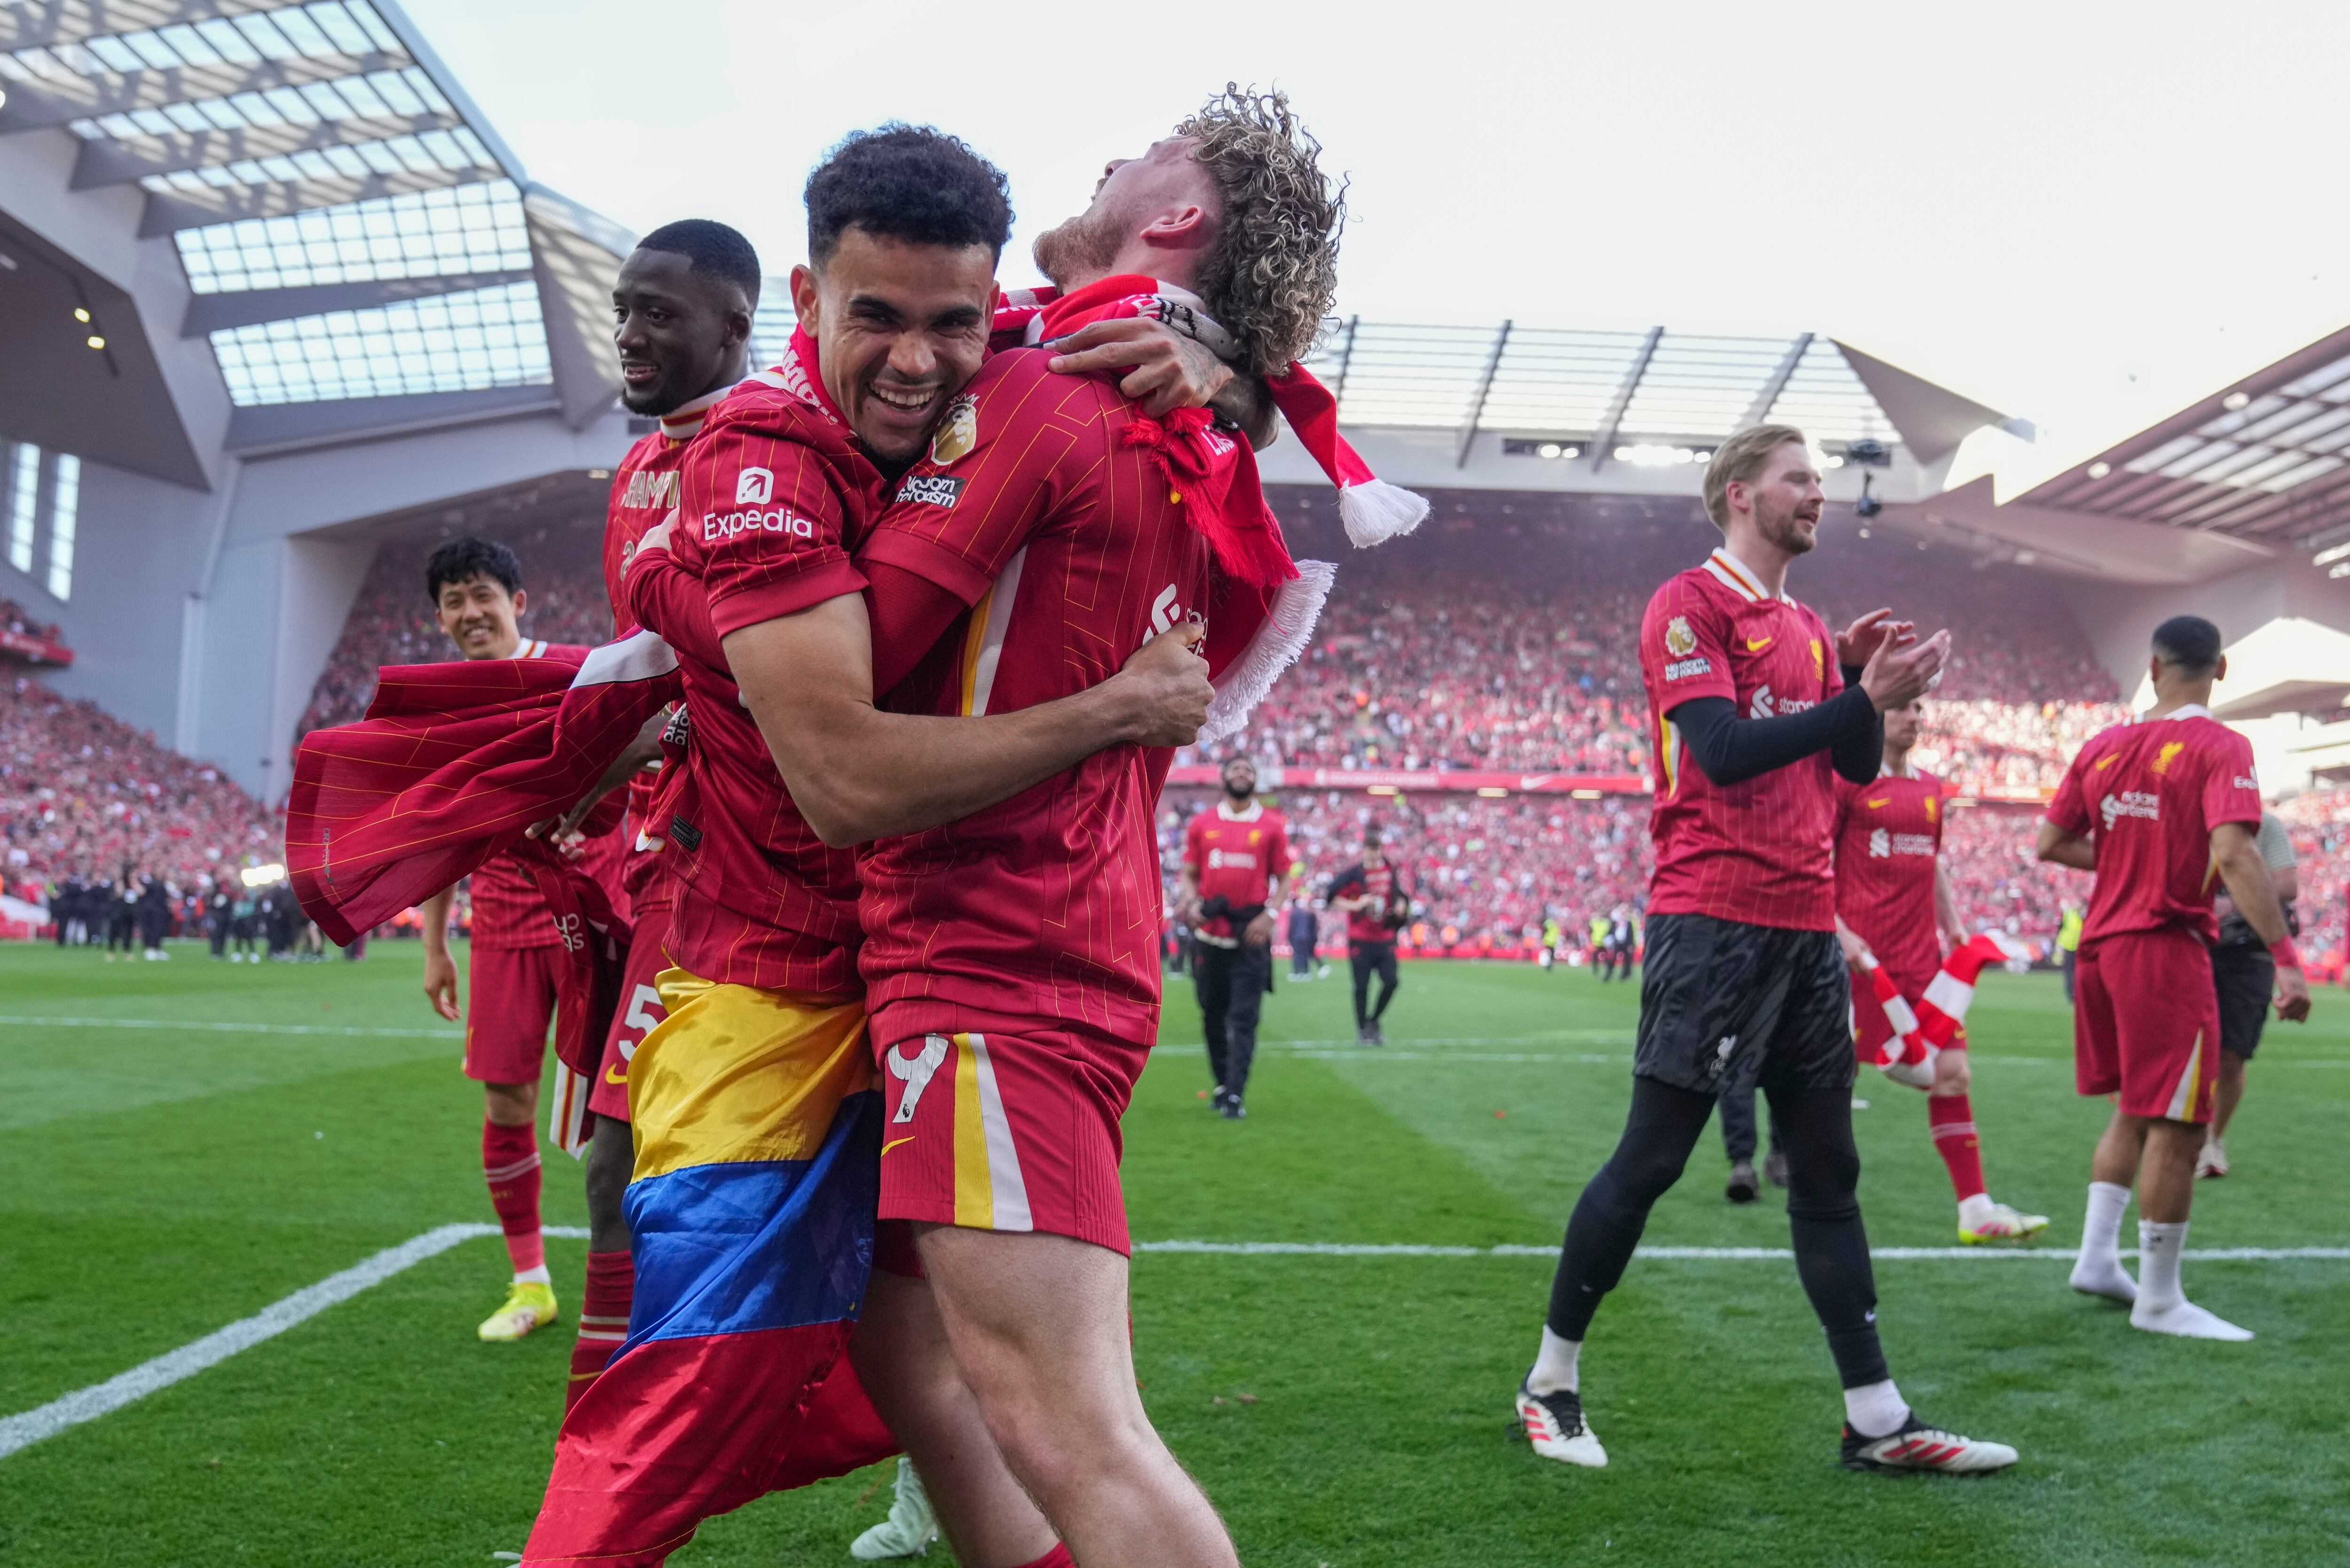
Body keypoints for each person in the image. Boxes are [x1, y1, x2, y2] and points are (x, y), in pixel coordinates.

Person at [527, 125, 1237, 1568]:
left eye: (949, 324)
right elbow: (843, 778)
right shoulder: (758, 468)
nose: (918, 361)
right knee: (689, 1398)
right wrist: (1112, 707)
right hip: (767, 988)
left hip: (901, 968)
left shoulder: (992, 375)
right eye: (877, 319)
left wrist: (1213, 354)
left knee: (929, 1367)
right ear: (802, 302)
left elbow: (1108, 329)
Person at [1515, 422, 2018, 1477]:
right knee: (1652, 1159)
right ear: (1740, 493)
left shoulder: (1803, 623)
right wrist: (1854, 693)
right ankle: (1549, 1383)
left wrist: (1853, 675)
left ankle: (1876, 1420)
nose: (1817, 495)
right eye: (1799, 480)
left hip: (1801, 930)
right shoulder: (1686, 604)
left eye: (1820, 482)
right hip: (1714, 917)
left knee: (1828, 1169)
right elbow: (1726, 752)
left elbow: (1851, 756)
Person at [2037, 616, 2308, 1339]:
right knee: (2185, 1123)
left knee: (2136, 1108)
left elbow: (2052, 841)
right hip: (2164, 948)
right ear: (2219, 670)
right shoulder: (2222, 746)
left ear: (2153, 668)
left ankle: (2098, 1258)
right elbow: (2238, 853)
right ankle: (2159, 1299)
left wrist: (2129, 860)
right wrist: (2287, 960)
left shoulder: (2102, 745)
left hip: (2100, 948)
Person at [414, 537, 627, 1346]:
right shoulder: (439, 705)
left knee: (627, 1115)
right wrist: (436, 943)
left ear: (518, 601)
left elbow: (647, 765)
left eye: (482, 595)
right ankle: (531, 1281)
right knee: (506, 1099)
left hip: (599, 920)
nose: (471, 613)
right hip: (501, 927)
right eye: (454, 601)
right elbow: (440, 833)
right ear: (438, 617)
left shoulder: (578, 670)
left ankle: (632, 1282)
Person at [1835, 699, 2046, 1243]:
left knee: (1952, 1073)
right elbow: (1813, 861)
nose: (1914, 716)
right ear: (1875, 718)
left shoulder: (1931, 789)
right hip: (1855, 962)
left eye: (1918, 707)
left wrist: (1951, 923)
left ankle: (1975, 1210)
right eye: (1901, 707)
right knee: (1831, 1081)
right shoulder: (1844, 782)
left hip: (1922, 966)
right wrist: (1838, 934)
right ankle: (1821, 1196)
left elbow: (1932, 863)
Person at [1180, 755, 1300, 1117]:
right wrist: (1191, 902)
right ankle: (1221, 1083)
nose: (1242, 774)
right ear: (1223, 778)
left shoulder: (1271, 825)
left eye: (1248, 770)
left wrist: (1270, 915)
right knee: (1212, 1015)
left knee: (1245, 1018)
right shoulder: (1203, 824)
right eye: (1236, 769)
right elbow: (1189, 874)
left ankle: (1235, 1093)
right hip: (1211, 937)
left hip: (1251, 938)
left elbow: (1285, 879)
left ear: (1255, 780)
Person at [2200, 809, 2296, 1178]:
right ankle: (2176, 1132)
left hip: (2248, 948)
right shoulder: (2180, 815)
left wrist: (2236, 900)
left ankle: (2212, 1138)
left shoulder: (2266, 824)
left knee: (2233, 1052)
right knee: (2177, 1044)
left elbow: (2289, 885)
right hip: (2191, 943)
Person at [1329, 831, 1409, 1043]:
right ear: (1364, 852)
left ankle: (1374, 1021)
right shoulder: (1353, 874)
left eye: (1377, 852)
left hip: (1385, 938)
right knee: (1362, 987)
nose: (1374, 857)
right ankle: (1363, 1029)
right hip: (1360, 939)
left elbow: (1398, 893)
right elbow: (1331, 896)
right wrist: (1355, 905)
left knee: (1391, 982)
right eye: (1370, 852)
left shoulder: (1389, 870)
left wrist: (1401, 904)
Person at [1288, 895, 1322, 979]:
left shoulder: (1293, 913)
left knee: (1297, 955)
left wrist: (1289, 937)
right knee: (1305, 955)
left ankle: (1297, 972)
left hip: (1296, 937)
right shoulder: (1304, 913)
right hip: (1305, 936)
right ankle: (1306, 972)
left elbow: (1292, 927)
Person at [2057, 898, 2083, 1004]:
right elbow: (2061, 928)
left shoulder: (2083, 915)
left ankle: (2078, 993)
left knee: (2078, 971)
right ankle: (2071, 994)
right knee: (2069, 972)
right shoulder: (2068, 914)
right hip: (2068, 946)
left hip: (2079, 947)